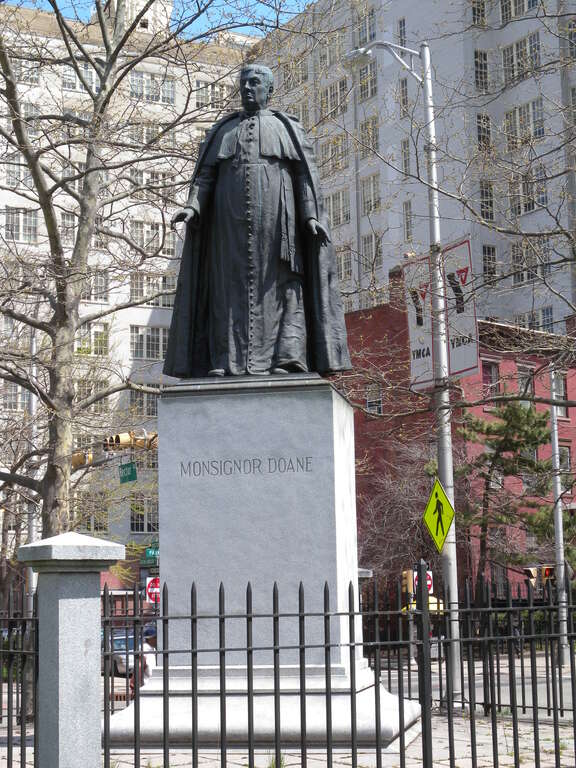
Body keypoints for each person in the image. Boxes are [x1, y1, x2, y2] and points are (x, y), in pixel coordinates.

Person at [164, 64, 351, 378]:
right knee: (225, 290)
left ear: (269, 89)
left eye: (254, 82)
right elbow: (205, 176)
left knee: (283, 287)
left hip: (278, 226)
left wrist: (310, 216)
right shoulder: (223, 131)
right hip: (227, 229)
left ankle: (287, 359)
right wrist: (193, 207)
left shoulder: (286, 128)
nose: (248, 88)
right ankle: (224, 360)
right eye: (243, 83)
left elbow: (304, 176)